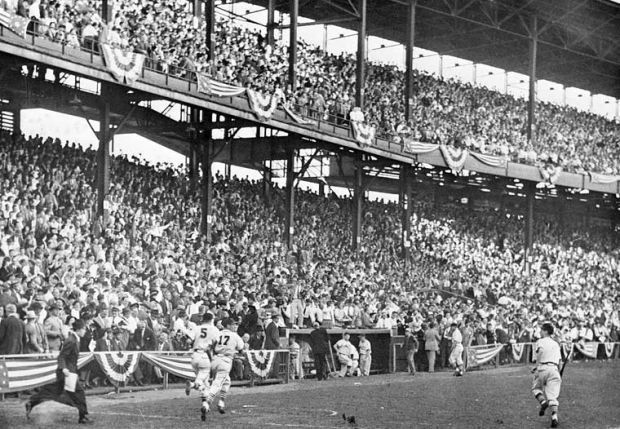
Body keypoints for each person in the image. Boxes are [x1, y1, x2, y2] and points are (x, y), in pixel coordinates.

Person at [25, 319, 93, 424]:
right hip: (67, 372)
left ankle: (31, 402)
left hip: (68, 372)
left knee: (54, 391)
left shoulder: (75, 339)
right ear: (79, 329)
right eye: (84, 329)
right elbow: (62, 356)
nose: (85, 331)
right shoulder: (71, 340)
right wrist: (64, 368)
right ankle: (83, 416)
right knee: (79, 393)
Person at [203, 318, 244, 421]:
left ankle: (221, 403)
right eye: (233, 324)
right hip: (225, 360)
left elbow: (208, 346)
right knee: (217, 383)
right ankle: (207, 402)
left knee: (227, 382)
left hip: (215, 359)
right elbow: (241, 348)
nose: (235, 326)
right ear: (228, 325)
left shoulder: (217, 333)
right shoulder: (234, 335)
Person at [532, 322, 562, 428]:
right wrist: (559, 372)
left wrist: (536, 367)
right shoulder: (556, 344)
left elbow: (540, 353)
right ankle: (554, 417)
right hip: (554, 369)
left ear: (545, 331)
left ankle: (543, 402)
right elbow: (560, 361)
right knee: (553, 397)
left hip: (543, 368)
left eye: (541, 329)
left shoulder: (540, 341)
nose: (540, 331)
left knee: (536, 389)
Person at [186, 312, 219, 399]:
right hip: (205, 355)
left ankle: (205, 400)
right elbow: (218, 343)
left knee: (205, 381)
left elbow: (188, 341)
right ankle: (193, 384)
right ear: (211, 320)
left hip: (194, 355)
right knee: (203, 375)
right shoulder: (214, 329)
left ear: (202, 319)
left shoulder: (196, 328)